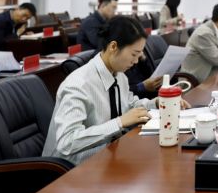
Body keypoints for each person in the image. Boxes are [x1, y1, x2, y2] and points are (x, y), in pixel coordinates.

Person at [42, 16, 189, 165]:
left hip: (107, 154)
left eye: (139, 55)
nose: (136, 61)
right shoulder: (78, 85)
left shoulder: (119, 76)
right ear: (113, 47)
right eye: (134, 54)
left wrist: (156, 103)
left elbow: (129, 105)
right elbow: (67, 142)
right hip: (72, 167)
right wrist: (119, 123)